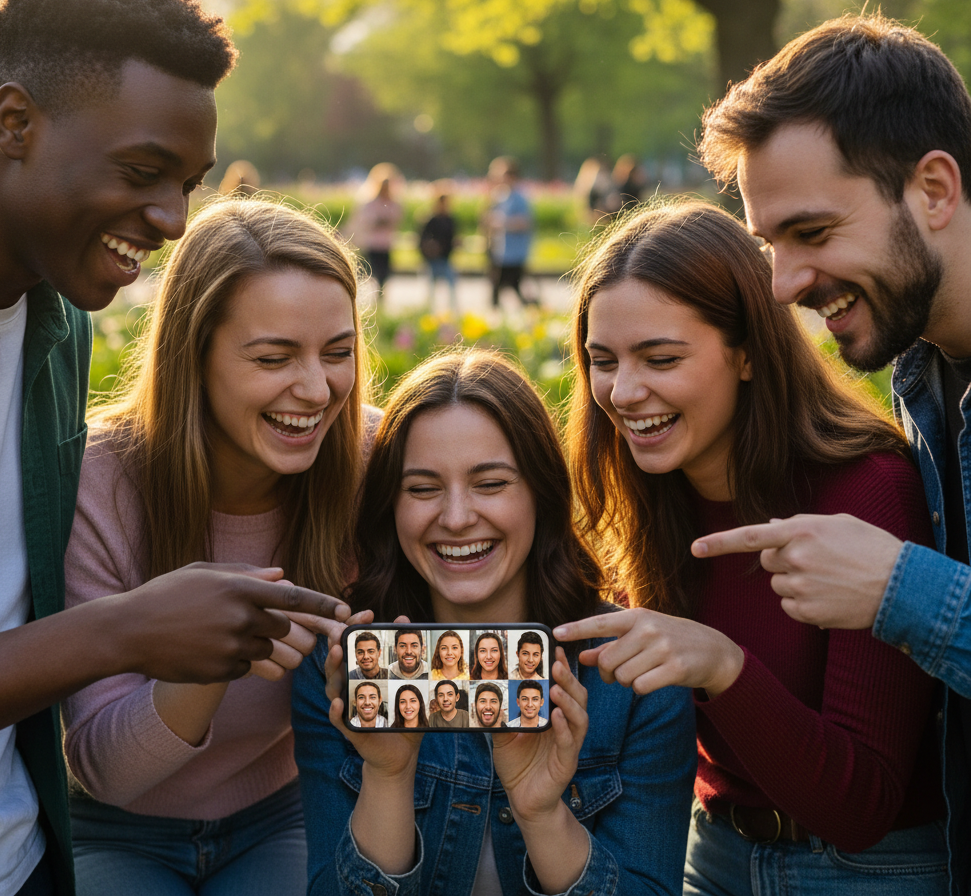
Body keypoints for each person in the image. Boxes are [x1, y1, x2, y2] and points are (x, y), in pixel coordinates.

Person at [0, 0, 346, 896]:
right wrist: (128, 632)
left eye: (189, 183)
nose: (172, 220)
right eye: (142, 170)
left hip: (18, 864)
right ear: (15, 122)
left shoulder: (60, 329)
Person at [557, 202, 946, 894]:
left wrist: (723, 667)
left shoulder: (867, 493)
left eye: (661, 357)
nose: (623, 390)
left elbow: (861, 805)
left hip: (867, 871)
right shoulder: (645, 500)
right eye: (601, 360)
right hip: (712, 855)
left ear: (745, 354)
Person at [693, 14, 971, 893]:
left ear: (933, 189)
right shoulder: (923, 376)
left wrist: (902, 592)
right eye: (770, 244)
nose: (783, 284)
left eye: (811, 233)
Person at [293, 349, 696, 896]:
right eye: (422, 488)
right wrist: (387, 777)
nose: (456, 518)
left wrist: (540, 812)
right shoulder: (337, 668)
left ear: (541, 494)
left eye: (491, 484)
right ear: (391, 506)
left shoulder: (633, 677)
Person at [61, 199, 368, 895]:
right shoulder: (99, 482)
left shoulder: (369, 457)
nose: (317, 390)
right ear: (193, 356)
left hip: (282, 813)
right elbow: (102, 768)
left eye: (338, 352)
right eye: (273, 357)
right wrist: (220, 646)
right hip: (115, 826)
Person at [484, 156, 535, 307]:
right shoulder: (499, 196)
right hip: (500, 251)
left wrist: (503, 223)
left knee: (513, 287)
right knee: (501, 288)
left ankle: (533, 310)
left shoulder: (519, 197)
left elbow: (525, 222)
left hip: (514, 253)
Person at [349, 162, 403, 296]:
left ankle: (381, 295)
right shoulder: (371, 203)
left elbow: (396, 219)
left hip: (386, 243)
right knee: (373, 272)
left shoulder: (392, 203)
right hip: (373, 243)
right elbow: (366, 221)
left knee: (384, 273)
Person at [418, 183, 458, 312]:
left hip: (445, 258)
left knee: (451, 286)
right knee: (431, 288)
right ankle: (429, 311)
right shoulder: (431, 220)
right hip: (433, 259)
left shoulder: (450, 219)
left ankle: (451, 310)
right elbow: (422, 240)